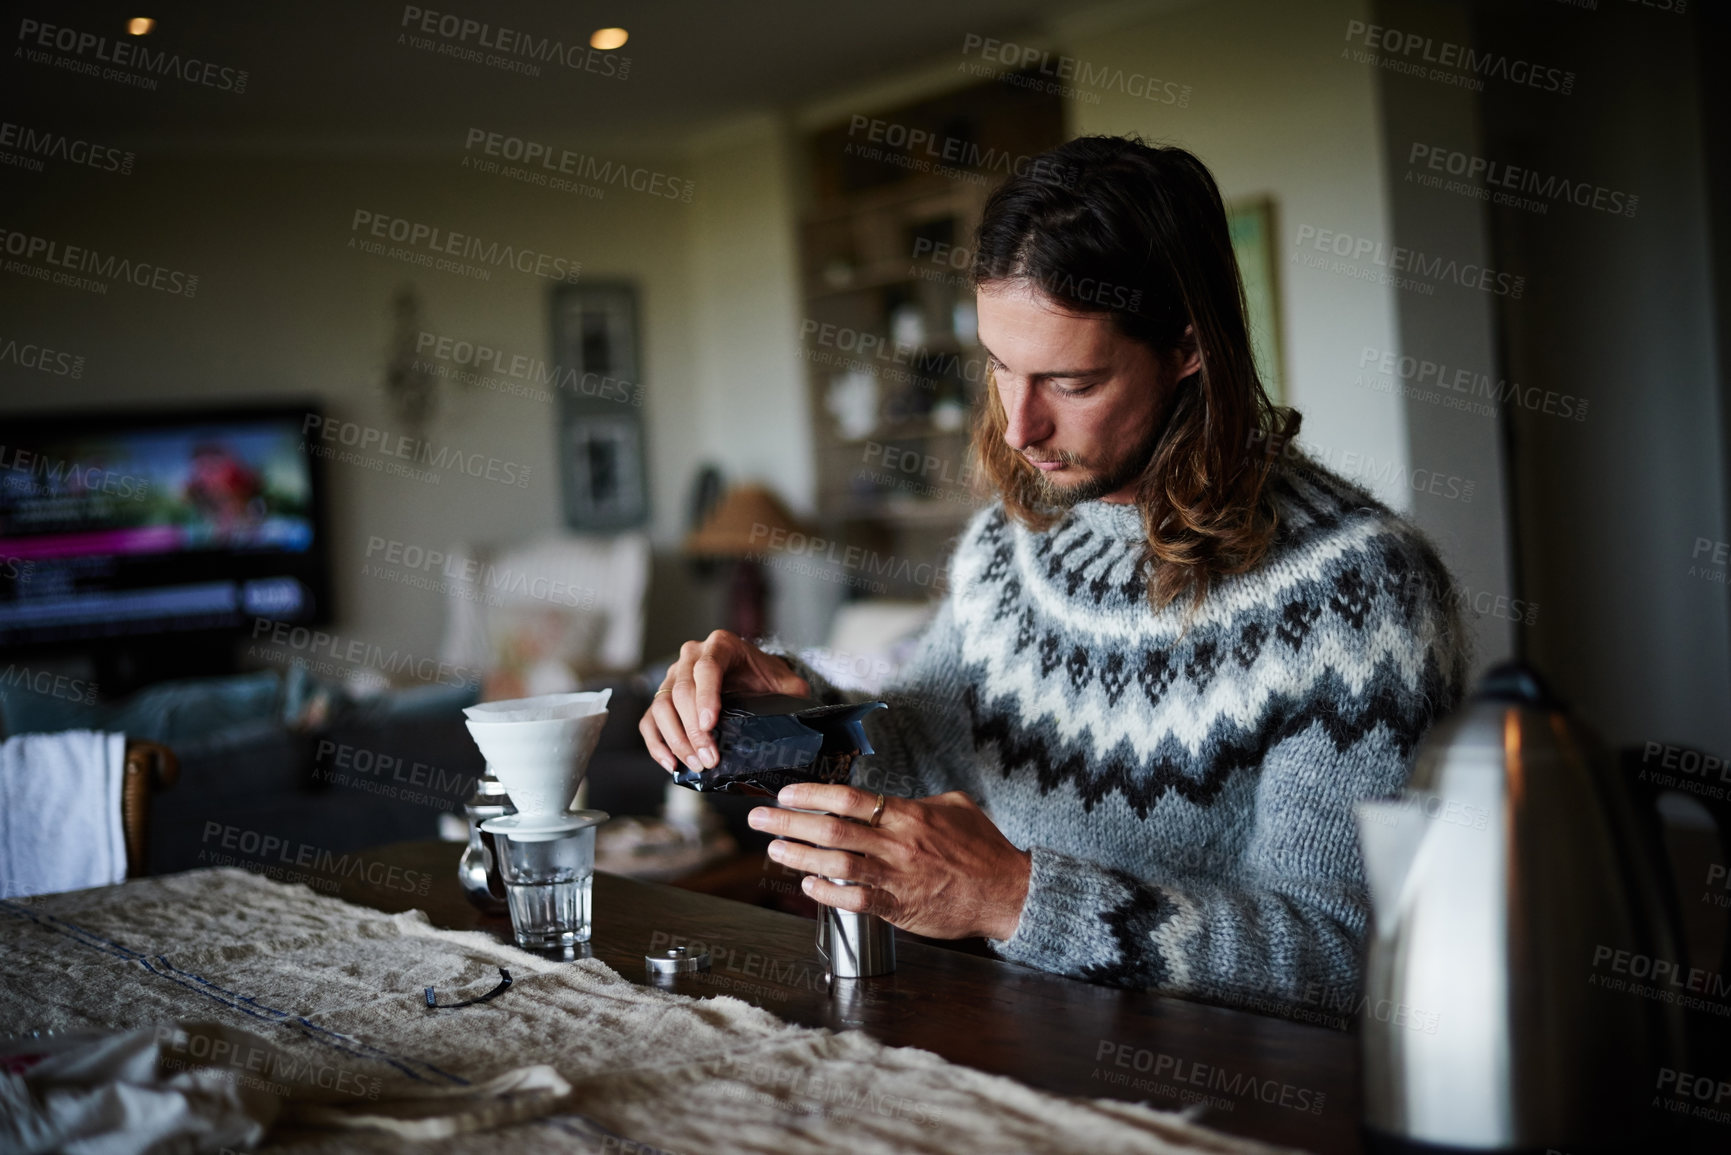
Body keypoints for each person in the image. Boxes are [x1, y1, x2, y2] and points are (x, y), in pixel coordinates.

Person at [642, 135, 1467, 1017]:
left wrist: (1013, 898)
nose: (1022, 426)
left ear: (1187, 346)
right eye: (999, 366)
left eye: (1070, 381)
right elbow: (926, 753)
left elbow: (1341, 957)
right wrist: (796, 705)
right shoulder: (1007, 545)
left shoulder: (1360, 592)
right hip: (1011, 1058)